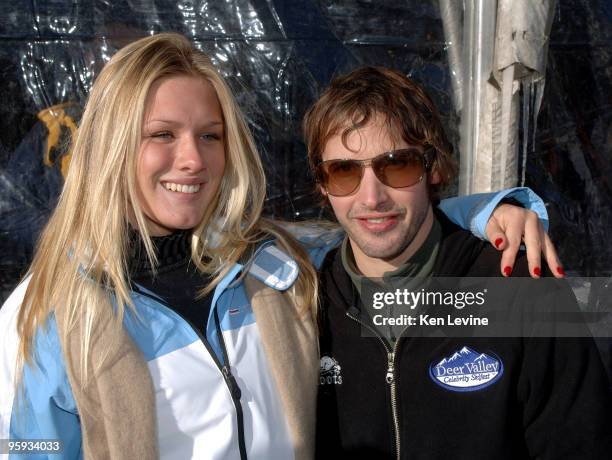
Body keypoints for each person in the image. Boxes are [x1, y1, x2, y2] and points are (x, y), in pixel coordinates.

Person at [0, 34, 559, 459]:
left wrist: (490, 212)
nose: (192, 159)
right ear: (114, 146)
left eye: (210, 135)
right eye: (162, 134)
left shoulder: (271, 265)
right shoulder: (46, 313)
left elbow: (374, 228)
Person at [306, 66, 611, 459]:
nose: (371, 197)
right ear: (322, 183)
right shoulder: (304, 302)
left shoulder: (518, 288)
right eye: (344, 171)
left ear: (432, 168)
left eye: (397, 164)